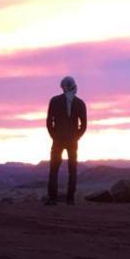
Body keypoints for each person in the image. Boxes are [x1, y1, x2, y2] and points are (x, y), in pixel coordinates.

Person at [45, 75, 87, 205]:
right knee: (72, 170)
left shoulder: (54, 101)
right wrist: (76, 137)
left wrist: (54, 135)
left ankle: (53, 198)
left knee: (54, 169)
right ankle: (70, 199)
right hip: (71, 140)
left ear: (62, 87)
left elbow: (49, 121)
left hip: (58, 139)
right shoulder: (80, 103)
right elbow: (84, 125)